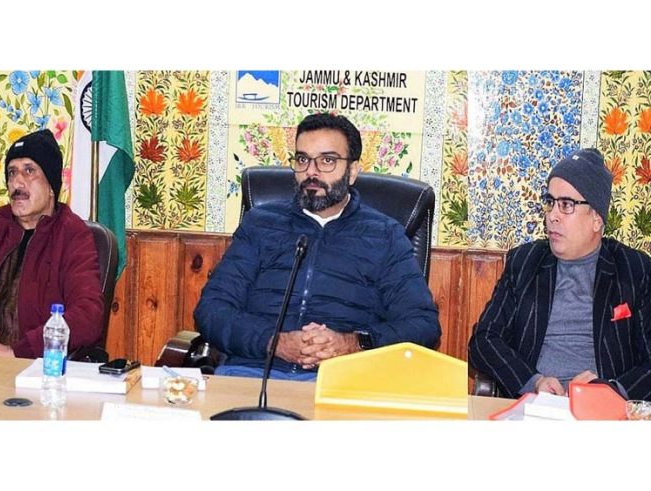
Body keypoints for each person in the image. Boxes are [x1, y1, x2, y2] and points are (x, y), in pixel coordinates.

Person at [196, 113, 440, 380]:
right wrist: (275, 342)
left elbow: (422, 325)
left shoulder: (384, 235)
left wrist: (353, 343)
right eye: (302, 160)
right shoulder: (261, 224)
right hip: (252, 372)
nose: (311, 172)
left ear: (353, 171)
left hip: (343, 380)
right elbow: (212, 310)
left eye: (327, 160)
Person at [469, 148, 651, 400]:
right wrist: (533, 382)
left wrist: (612, 390)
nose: (552, 216)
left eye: (566, 205)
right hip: (537, 408)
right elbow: (483, 340)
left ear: (596, 219)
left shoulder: (633, 270)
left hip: (603, 416)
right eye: (550, 202)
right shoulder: (525, 263)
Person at [0, 129, 104, 358]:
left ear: (52, 186)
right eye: (12, 172)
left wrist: (13, 352)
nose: (17, 182)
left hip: (33, 366)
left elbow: (88, 316)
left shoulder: (73, 236)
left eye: (29, 170)